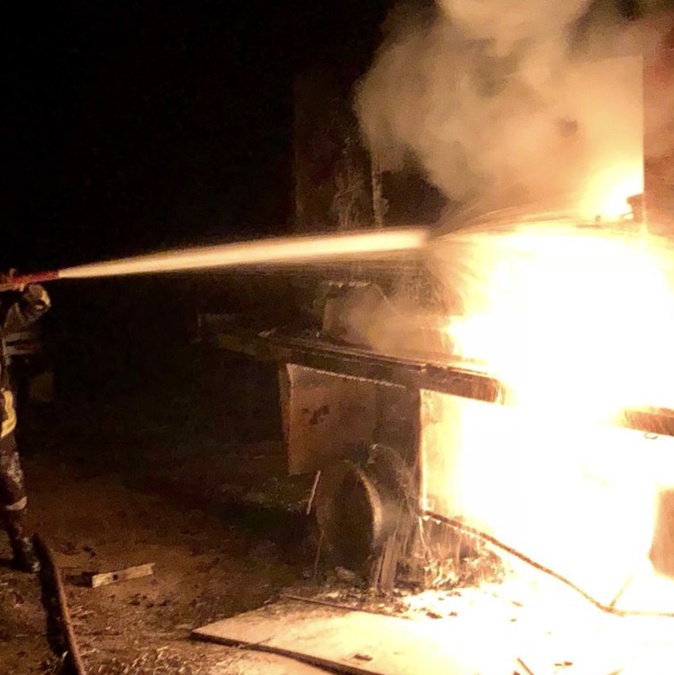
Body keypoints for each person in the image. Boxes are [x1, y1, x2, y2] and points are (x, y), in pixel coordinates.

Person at [0, 279, 50, 572]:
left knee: (13, 492)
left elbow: (38, 305)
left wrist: (25, 288)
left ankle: (21, 546)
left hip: (1, 431)